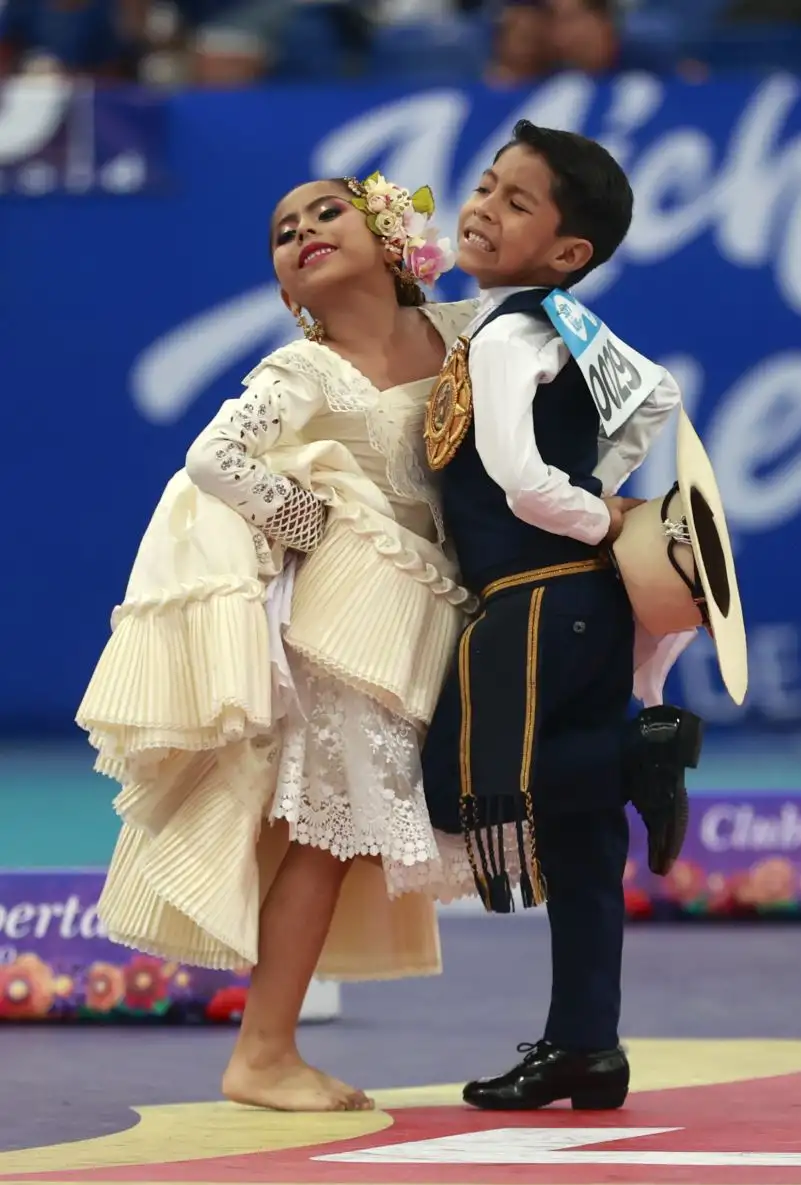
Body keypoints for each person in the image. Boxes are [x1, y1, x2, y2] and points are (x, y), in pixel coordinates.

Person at [79, 173, 475, 1111]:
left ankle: (269, 1047)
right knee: (326, 834)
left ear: (390, 235)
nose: (302, 233)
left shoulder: (468, 337)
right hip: (342, 625)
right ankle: (263, 1052)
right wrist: (311, 523)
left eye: (325, 212)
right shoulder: (303, 371)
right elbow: (215, 460)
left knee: (336, 837)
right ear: (288, 294)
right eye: (283, 233)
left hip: (421, 616)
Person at [420, 120, 711, 1113]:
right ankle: (587, 1046)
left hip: (534, 599)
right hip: (593, 604)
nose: (482, 208)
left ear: (569, 253)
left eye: (515, 202)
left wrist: (600, 514)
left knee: (460, 790)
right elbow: (657, 397)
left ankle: (638, 763)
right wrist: (615, 509)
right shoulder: (564, 329)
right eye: (487, 185)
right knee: (585, 845)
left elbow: (517, 478)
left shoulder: (507, 332)